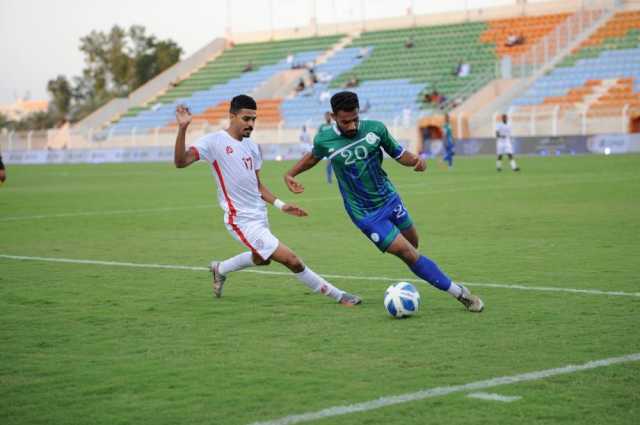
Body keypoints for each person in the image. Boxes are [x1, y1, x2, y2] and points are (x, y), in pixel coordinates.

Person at [284, 91, 484, 312]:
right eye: (345, 122)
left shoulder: (376, 129)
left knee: (413, 244)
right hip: (365, 214)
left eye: (355, 119)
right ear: (333, 117)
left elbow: (399, 154)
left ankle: (424, 272)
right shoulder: (324, 139)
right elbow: (313, 156)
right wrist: (291, 174)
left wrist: (416, 160)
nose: (351, 126)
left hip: (389, 199)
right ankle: (461, 294)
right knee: (408, 253)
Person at [173, 95, 361, 306]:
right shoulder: (213, 142)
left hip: (259, 215)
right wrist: (182, 129)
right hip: (241, 219)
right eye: (246, 119)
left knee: (262, 259)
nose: (251, 124)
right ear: (232, 116)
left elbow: (257, 185)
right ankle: (339, 296)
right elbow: (180, 162)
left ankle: (220, 269)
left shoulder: (252, 147)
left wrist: (281, 205)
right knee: (292, 260)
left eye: (254, 119)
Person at [317, 111, 334, 184]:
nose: (328, 117)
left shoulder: (334, 125)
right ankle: (329, 178)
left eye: (329, 116)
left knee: (336, 163)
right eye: (327, 116)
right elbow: (319, 137)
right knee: (329, 163)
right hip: (326, 148)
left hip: (334, 146)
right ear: (325, 117)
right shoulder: (322, 127)